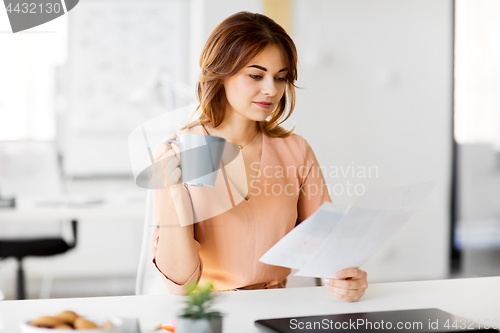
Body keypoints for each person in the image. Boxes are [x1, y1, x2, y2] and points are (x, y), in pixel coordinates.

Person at [150, 11, 368, 302]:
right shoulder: (184, 152)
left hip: (276, 308)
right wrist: (169, 192)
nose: (271, 90)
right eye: (256, 75)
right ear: (221, 72)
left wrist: (347, 278)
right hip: (208, 311)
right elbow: (180, 286)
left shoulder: (295, 151)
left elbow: (328, 249)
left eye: (280, 78)